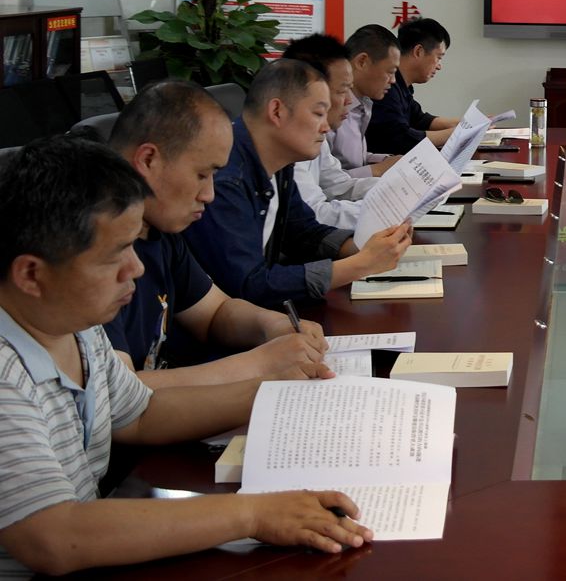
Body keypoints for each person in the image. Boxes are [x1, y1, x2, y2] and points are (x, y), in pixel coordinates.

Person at [0, 135, 371, 577]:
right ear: (31, 275)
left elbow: (140, 413)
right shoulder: (6, 374)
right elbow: (53, 536)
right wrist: (254, 514)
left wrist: (279, 394)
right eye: (115, 255)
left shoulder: (76, 328)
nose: (137, 268)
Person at [105, 80, 331, 386]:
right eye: (202, 174)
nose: (209, 194)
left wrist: (274, 326)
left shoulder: (159, 230)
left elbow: (215, 312)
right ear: (148, 160)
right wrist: (261, 363)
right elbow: (121, 394)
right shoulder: (94, 252)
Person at [184, 58, 411, 306]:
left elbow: (303, 231)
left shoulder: (278, 161)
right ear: (277, 111)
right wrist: (361, 264)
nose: (326, 127)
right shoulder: (225, 177)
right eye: (318, 114)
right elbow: (248, 285)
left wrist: (361, 248)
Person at [282, 33, 377, 230]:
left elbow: (337, 186)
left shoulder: (317, 132)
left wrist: (393, 190)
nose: (349, 101)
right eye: (342, 91)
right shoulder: (287, 145)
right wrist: (385, 210)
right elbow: (314, 216)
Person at [367, 17, 458, 153]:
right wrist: (456, 134)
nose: (439, 66)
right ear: (418, 51)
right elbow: (400, 139)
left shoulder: (402, 86)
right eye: (439, 57)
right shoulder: (386, 87)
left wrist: (465, 125)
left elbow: (419, 119)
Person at [331, 23, 402, 179]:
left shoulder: (363, 103)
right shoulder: (331, 108)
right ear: (362, 62)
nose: (393, 80)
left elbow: (353, 160)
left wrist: (386, 161)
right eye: (390, 72)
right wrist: (378, 170)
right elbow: (326, 182)